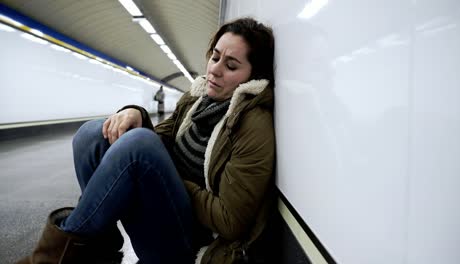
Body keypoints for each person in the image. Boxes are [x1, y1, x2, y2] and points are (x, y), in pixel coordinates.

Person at [17, 17, 275, 264]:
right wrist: (136, 113)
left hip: (189, 244)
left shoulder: (252, 125)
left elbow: (231, 221)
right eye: (215, 57)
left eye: (230, 66)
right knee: (92, 134)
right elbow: (158, 139)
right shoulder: (197, 100)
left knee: (139, 145)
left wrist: (168, 177)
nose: (215, 70)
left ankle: (53, 258)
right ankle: (102, 244)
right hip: (159, 213)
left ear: (252, 77)